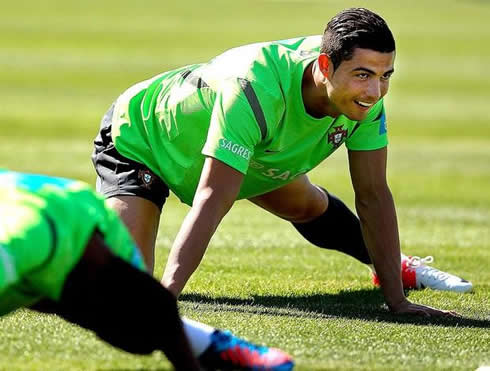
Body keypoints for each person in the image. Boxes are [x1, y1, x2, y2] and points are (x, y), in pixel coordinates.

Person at [91, 7, 471, 318]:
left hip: (249, 147)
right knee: (128, 291)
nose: (375, 91)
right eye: (363, 76)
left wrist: (397, 302)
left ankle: (395, 268)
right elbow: (213, 197)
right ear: (325, 66)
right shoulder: (254, 87)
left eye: (385, 76)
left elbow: (372, 195)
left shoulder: (361, 93)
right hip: (142, 141)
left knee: (306, 204)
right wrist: (166, 296)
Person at [0, 169, 294, 371]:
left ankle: (226, 347)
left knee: (134, 332)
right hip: (44, 229)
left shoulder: (33, 238)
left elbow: (158, 306)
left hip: (71, 221)